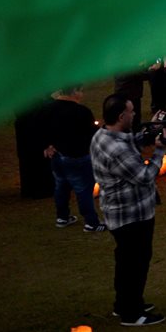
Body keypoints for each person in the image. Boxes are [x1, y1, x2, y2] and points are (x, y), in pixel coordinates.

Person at [90, 93, 166, 326]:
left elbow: (127, 142)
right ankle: (131, 313)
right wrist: (160, 150)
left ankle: (125, 302)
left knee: (126, 261)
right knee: (135, 263)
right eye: (131, 111)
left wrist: (148, 133)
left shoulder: (103, 136)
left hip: (121, 212)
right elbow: (145, 176)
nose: (134, 114)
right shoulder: (116, 149)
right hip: (131, 215)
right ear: (120, 116)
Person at [43, 85, 104, 231]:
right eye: (80, 91)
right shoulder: (81, 111)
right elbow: (91, 134)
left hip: (57, 155)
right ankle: (91, 222)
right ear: (74, 92)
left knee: (61, 187)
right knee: (83, 190)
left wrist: (48, 145)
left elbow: (42, 128)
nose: (82, 94)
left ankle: (62, 217)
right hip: (77, 157)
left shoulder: (48, 109)